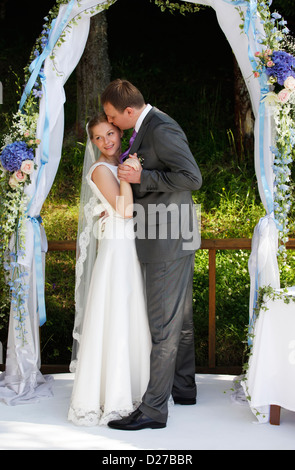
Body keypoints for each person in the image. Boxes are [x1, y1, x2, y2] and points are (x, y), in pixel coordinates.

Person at [101, 79, 202, 431]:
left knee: (163, 328)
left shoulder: (161, 128)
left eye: (113, 117)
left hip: (167, 238)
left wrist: (144, 176)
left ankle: (154, 410)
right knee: (181, 320)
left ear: (129, 111)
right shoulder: (148, 125)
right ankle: (184, 387)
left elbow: (192, 177)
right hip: (173, 234)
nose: (110, 123)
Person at [68, 113, 151, 426]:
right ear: (92, 143)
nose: (106, 141)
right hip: (116, 251)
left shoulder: (121, 165)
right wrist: (130, 175)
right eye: (98, 138)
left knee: (131, 313)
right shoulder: (101, 169)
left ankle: (136, 389)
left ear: (120, 131)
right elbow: (126, 211)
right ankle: (110, 396)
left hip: (127, 247)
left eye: (110, 133)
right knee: (116, 314)